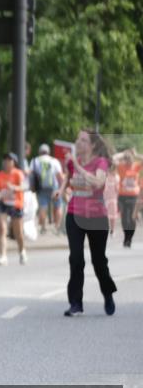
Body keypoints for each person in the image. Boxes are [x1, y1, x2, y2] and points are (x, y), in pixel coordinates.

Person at [62, 129, 117, 316]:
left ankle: (108, 293)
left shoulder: (100, 162)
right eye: (78, 139)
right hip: (74, 214)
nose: (79, 143)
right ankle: (76, 303)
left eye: (84, 140)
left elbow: (98, 182)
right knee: (76, 258)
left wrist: (77, 165)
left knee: (99, 261)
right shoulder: (72, 162)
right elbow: (68, 180)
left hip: (96, 217)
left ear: (92, 145)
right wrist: (62, 191)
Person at [0, 153, 28, 266]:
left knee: (18, 232)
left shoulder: (18, 173)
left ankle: (22, 251)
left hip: (16, 203)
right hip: (3, 203)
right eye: (5, 160)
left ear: (14, 162)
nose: (7, 162)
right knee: (2, 228)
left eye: (9, 160)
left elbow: (24, 187)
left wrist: (14, 188)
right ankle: (3, 256)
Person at [29, 143, 65, 235]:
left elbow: (31, 175)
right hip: (55, 188)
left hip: (41, 188)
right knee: (58, 205)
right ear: (48, 152)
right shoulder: (54, 161)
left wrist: (32, 187)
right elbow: (60, 176)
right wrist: (62, 188)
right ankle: (57, 227)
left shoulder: (35, 161)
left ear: (40, 152)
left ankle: (43, 227)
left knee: (42, 206)